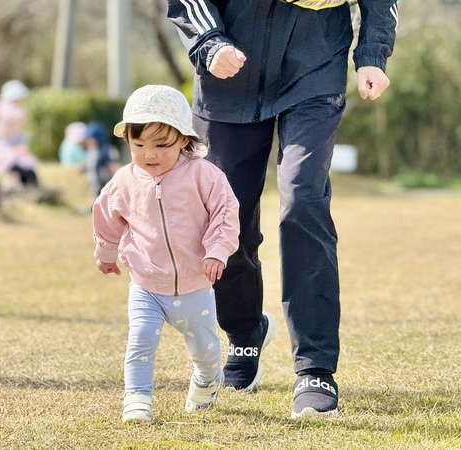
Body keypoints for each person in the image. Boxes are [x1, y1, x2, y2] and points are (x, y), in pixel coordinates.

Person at [167, 0, 398, 418]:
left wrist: (372, 54)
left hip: (315, 65)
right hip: (229, 73)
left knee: (302, 200)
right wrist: (209, 41)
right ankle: (244, 331)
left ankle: (315, 368)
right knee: (223, 215)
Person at [92, 85, 240, 424]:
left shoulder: (203, 175)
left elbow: (225, 213)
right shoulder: (124, 181)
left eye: (162, 145)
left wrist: (217, 250)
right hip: (146, 283)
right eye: (139, 145)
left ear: (184, 140)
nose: (149, 154)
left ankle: (207, 379)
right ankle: (137, 398)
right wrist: (106, 251)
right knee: (140, 338)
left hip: (194, 284)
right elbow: (107, 215)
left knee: (204, 349)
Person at [0, 80, 38, 187]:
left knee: (24, 163)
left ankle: (20, 183)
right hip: (5, 144)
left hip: (15, 143)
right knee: (9, 162)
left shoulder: (14, 108)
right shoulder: (5, 107)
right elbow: (11, 116)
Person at [82, 121, 120, 201]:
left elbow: (112, 164)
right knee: (94, 197)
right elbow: (88, 164)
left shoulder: (106, 150)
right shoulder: (91, 150)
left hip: (103, 181)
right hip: (93, 181)